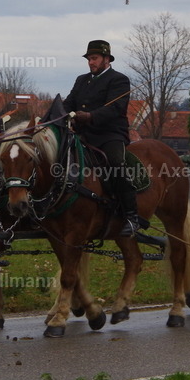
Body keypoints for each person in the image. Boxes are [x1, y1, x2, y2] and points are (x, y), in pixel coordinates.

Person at [63, 39, 140, 236]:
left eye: (94, 58)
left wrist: (90, 117)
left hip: (110, 133)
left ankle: (131, 217)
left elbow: (115, 108)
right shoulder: (81, 80)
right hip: (83, 134)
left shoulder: (119, 80)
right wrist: (57, 115)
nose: (91, 62)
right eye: (89, 59)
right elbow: (69, 102)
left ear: (106, 58)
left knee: (116, 162)